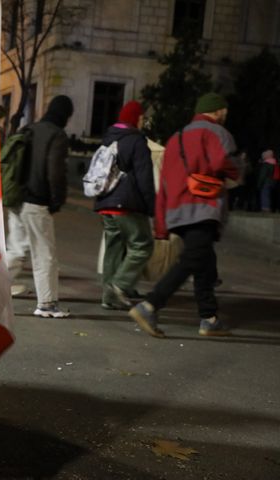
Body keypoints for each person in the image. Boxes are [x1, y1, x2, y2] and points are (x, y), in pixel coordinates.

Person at [129, 92, 241, 338]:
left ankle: (209, 317)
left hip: (176, 210)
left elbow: (165, 182)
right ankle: (150, 305)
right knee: (192, 260)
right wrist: (239, 170)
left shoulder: (175, 138)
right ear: (219, 111)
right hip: (203, 206)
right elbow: (223, 160)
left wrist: (161, 224)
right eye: (225, 110)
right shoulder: (216, 132)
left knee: (203, 261)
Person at [6, 95, 74, 318]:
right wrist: (56, 200)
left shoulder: (30, 129)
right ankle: (46, 303)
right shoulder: (57, 135)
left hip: (16, 199)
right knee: (44, 254)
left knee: (16, 250)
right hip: (37, 202)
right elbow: (55, 172)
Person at [95, 100, 155, 310]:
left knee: (114, 248)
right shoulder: (137, 141)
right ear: (135, 118)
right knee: (142, 245)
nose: (142, 120)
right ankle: (120, 284)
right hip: (126, 203)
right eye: (141, 117)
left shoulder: (109, 138)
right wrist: (151, 206)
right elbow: (144, 177)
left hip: (105, 203)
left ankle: (109, 297)